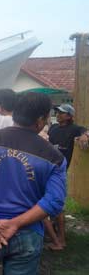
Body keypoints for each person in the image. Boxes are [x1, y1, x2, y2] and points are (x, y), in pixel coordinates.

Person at [0, 92, 67, 275]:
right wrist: (15, 223)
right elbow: (55, 201)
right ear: (41, 120)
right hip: (28, 233)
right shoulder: (54, 157)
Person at [44, 103, 87, 250]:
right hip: (46, 168)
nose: (58, 114)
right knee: (47, 202)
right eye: (57, 111)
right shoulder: (54, 128)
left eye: (62, 112)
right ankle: (52, 232)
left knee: (58, 205)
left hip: (59, 171)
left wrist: (85, 136)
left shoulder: (74, 129)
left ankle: (61, 240)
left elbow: (85, 131)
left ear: (69, 116)